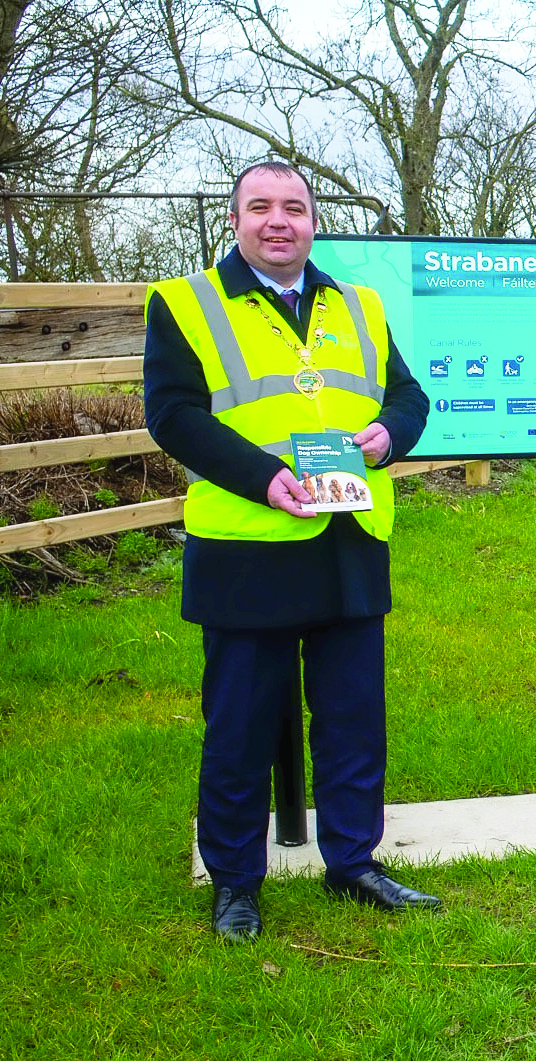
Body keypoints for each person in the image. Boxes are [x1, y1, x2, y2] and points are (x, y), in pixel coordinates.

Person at [142, 161, 436, 943]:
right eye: (261, 208)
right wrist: (264, 477)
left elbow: (408, 397)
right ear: (234, 219)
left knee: (351, 719)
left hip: (349, 541)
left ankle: (354, 863)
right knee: (241, 725)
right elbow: (172, 415)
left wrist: (389, 434)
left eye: (296, 209)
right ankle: (236, 882)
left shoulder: (358, 304)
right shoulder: (187, 303)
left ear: (314, 221)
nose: (280, 221)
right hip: (248, 545)